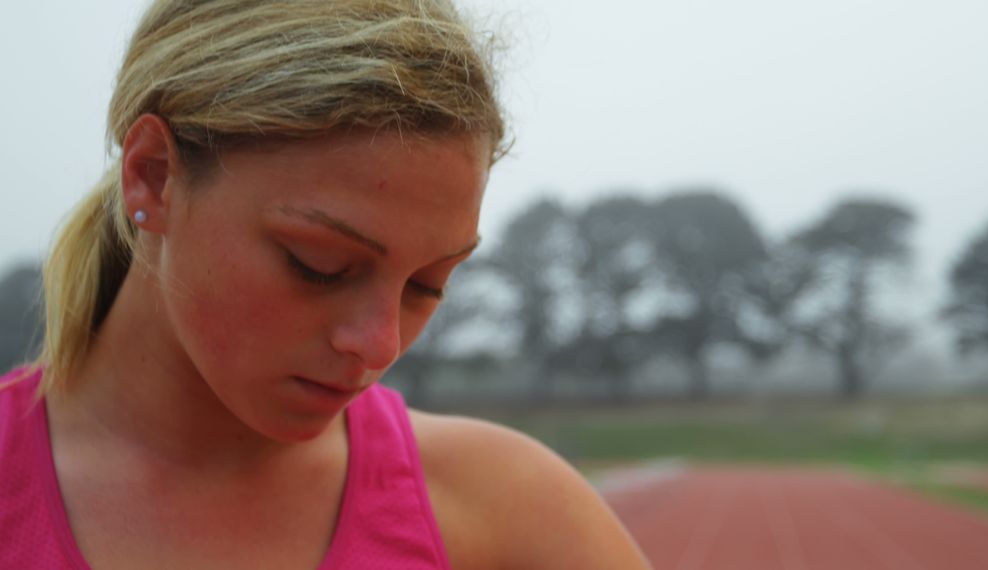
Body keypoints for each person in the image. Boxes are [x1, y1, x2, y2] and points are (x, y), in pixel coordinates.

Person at [0, 1, 650, 568]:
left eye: (428, 284)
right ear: (153, 175)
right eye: (319, 265)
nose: (380, 345)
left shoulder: (510, 510)